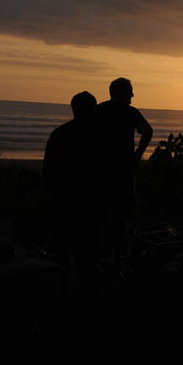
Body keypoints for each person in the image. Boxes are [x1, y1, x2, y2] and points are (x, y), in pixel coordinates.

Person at [43, 91, 111, 288]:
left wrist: (53, 194)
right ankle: (88, 295)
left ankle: (60, 292)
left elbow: (48, 169)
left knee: (61, 251)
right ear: (92, 110)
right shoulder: (100, 135)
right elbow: (108, 170)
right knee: (89, 252)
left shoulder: (59, 133)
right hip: (91, 202)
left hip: (63, 200)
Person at [97, 78, 152, 266]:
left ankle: (105, 254)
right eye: (130, 91)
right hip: (122, 168)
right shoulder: (131, 113)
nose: (132, 95)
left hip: (103, 168)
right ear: (119, 92)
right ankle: (117, 254)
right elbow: (147, 131)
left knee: (103, 212)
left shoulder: (100, 110)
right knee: (120, 214)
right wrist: (137, 156)